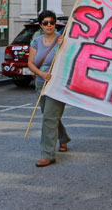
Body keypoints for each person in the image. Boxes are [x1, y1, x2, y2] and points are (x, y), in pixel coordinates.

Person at [27, 10, 71, 167]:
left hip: (57, 84)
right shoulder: (36, 41)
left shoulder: (62, 40)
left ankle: (48, 154)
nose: (49, 25)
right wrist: (41, 74)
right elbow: (30, 63)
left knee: (49, 118)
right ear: (40, 25)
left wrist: (64, 46)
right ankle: (63, 138)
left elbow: (70, 58)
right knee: (49, 115)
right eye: (45, 23)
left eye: (52, 22)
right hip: (41, 83)